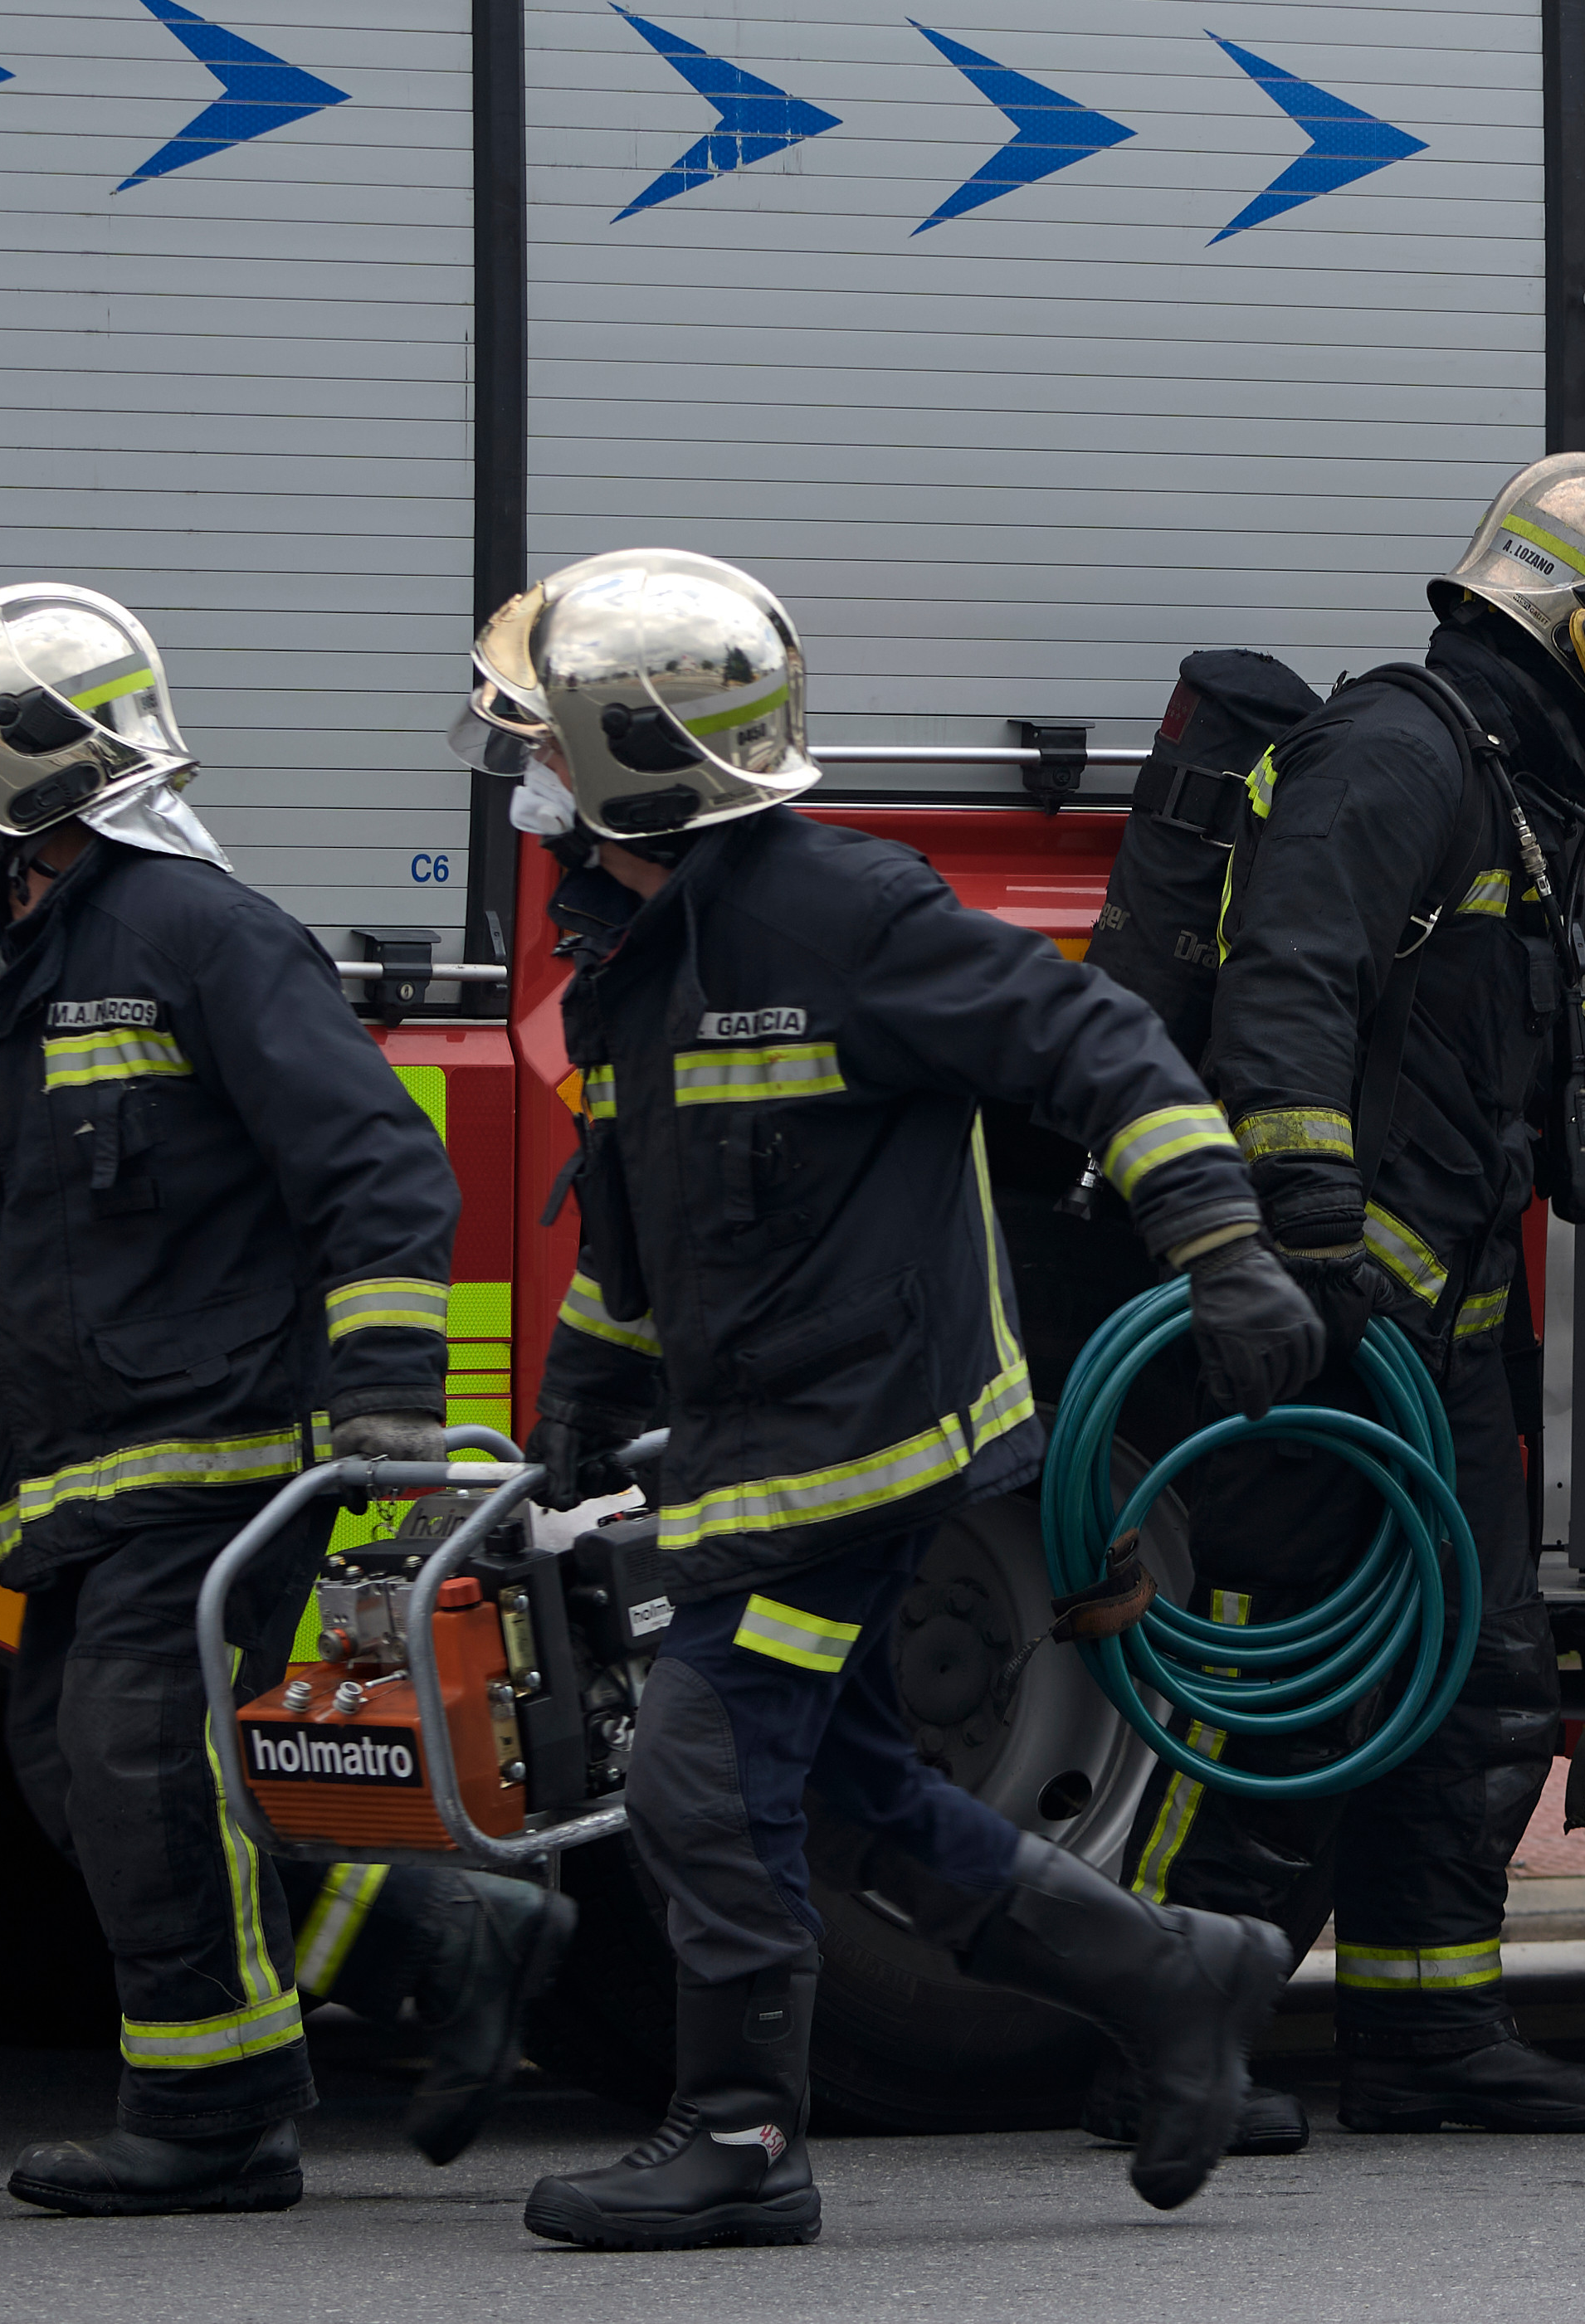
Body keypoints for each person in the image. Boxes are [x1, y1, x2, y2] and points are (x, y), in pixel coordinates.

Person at [0, 585, 573, 2214]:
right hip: (77, 1465)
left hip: (216, 1448)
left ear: (31, 763)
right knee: (86, 1777)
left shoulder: (206, 938)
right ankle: (443, 1933)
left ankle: (213, 2119)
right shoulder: (4, 971)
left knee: (140, 1756)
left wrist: (387, 1411)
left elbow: (380, 1169)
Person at [477, 549, 1319, 2252]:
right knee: (849, 1785)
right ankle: (1174, 1979)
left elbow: (1098, 1048)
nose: (532, 774)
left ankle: (738, 2133)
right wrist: (590, 1363)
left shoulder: (844, 911)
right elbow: (650, 1212)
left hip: (862, 1445)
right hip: (749, 1443)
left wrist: (1219, 1241)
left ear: (641, 754)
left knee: (697, 1778)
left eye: (553, 739)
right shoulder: (642, 950)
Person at [1142, 454, 1585, 2142]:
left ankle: (1424, 2031)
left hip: (1420, 1329)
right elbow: (1285, 991)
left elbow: (1482, 1046)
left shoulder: (1489, 779)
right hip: (1344, 1331)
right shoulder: (1397, 756)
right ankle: (1161, 2039)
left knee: (1459, 1686)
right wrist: (1308, 1234)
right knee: (1296, 1693)